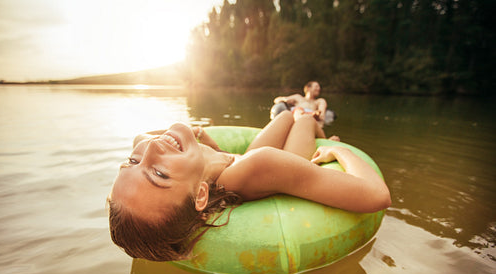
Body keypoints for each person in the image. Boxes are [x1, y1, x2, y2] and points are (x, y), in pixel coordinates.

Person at [107, 111, 391, 262]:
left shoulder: (171, 161)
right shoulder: (260, 167)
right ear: (201, 194)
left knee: (283, 116)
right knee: (303, 118)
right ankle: (326, 136)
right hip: (281, 164)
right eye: (158, 173)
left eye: (132, 162)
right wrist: (341, 153)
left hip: (235, 157)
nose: (152, 147)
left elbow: (140, 139)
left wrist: (204, 141)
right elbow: (378, 197)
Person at [271, 81, 336, 127]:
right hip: (295, 115)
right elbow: (276, 100)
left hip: (309, 118)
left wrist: (316, 117)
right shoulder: (298, 97)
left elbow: (321, 115)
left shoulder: (319, 101)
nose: (319, 89)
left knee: (304, 114)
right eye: (316, 86)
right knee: (296, 111)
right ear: (308, 88)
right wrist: (285, 100)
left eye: (319, 87)